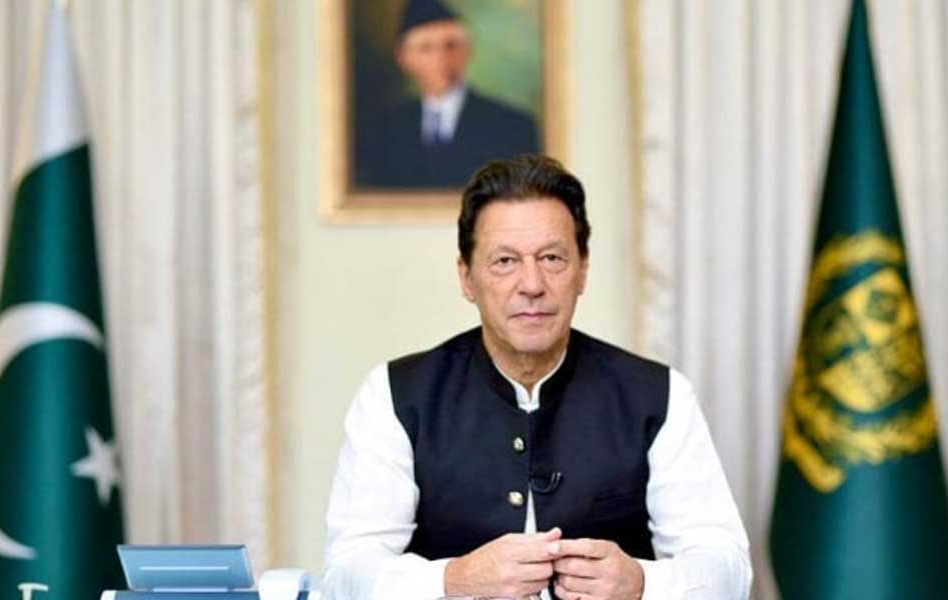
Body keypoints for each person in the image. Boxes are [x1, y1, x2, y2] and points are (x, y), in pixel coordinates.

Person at [322, 155, 751, 600]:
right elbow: (346, 572)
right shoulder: (394, 396)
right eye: (505, 261)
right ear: (466, 277)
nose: (532, 284)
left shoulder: (659, 396)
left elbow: (729, 569)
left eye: (552, 258)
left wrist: (643, 584)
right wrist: (454, 580)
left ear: (583, 270)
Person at [353, 0, 541, 189]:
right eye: (426, 48)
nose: (440, 58)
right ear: (404, 58)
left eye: (450, 45)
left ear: (467, 50)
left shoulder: (511, 126)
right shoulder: (385, 130)